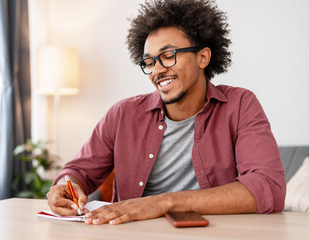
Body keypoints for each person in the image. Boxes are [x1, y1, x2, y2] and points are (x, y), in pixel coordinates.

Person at [46, 0, 286, 225]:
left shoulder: (240, 104)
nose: (157, 70)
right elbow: (77, 172)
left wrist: (163, 202)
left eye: (168, 56)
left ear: (203, 57)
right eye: (149, 62)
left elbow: (267, 187)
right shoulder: (122, 114)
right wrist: (66, 187)